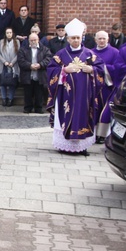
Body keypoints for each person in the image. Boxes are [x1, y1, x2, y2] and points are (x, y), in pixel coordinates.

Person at [46, 19, 104, 155]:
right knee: (65, 116)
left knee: (83, 116)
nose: (76, 40)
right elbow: (50, 70)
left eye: (78, 37)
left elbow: (101, 69)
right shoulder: (61, 54)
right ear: (68, 38)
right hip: (65, 95)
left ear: (81, 37)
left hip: (85, 95)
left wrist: (91, 70)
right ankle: (64, 146)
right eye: (73, 38)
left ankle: (82, 147)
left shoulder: (89, 54)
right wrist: (64, 70)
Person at [93, 30, 120, 143]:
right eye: (99, 38)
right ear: (95, 40)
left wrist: (102, 67)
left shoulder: (115, 52)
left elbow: (117, 68)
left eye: (104, 38)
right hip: (94, 86)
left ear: (108, 39)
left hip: (107, 86)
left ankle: (103, 135)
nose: (102, 41)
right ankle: (93, 133)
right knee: (94, 108)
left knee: (104, 110)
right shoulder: (91, 52)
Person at [17, 33, 51, 113]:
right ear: (28, 41)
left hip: (40, 74)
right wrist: (30, 66)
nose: (33, 42)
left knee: (39, 93)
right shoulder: (23, 49)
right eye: (31, 40)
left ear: (38, 40)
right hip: (28, 74)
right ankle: (27, 108)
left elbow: (49, 59)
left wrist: (40, 65)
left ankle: (38, 108)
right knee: (27, 93)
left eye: (34, 40)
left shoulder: (45, 49)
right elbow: (21, 61)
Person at [0, 27, 20, 107]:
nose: (9, 34)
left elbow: (18, 54)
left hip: (13, 65)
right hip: (3, 65)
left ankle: (10, 98)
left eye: (10, 32)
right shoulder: (1, 42)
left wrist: (12, 62)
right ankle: (3, 98)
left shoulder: (17, 42)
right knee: (3, 82)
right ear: (5, 34)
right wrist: (4, 62)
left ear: (12, 33)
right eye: (7, 33)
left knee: (12, 83)